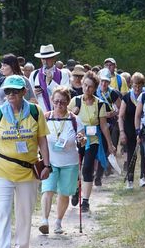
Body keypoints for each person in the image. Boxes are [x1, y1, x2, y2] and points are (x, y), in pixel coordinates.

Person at [0, 75, 51, 248]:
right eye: (7, 91)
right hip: (2, 168)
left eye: (15, 91)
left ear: (24, 92)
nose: (10, 95)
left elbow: (42, 139)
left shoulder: (35, 112)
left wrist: (48, 165)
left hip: (27, 170)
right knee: (2, 210)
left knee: (24, 212)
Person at [68, 71, 116, 212]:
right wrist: (73, 113)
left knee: (87, 168)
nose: (86, 89)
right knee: (75, 168)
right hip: (77, 139)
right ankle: (76, 189)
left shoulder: (99, 104)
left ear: (95, 88)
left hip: (93, 140)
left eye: (90, 87)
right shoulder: (75, 101)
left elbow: (103, 125)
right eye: (84, 85)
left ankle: (86, 201)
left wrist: (110, 144)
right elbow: (64, 120)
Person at [39, 87, 84, 235]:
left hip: (69, 163)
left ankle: (58, 222)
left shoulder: (75, 120)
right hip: (50, 162)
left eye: (63, 102)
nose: (59, 105)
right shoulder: (45, 118)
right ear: (52, 101)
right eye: (56, 101)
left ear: (68, 103)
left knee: (64, 193)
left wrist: (81, 140)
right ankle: (44, 221)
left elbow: (82, 140)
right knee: (47, 190)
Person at [93, 68, 122, 187]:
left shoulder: (113, 93)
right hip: (94, 124)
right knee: (94, 149)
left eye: (106, 82)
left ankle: (99, 176)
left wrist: (113, 113)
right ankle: (91, 173)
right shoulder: (94, 92)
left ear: (109, 82)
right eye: (102, 81)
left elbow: (120, 108)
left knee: (104, 150)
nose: (104, 84)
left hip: (108, 125)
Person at [118, 72, 145, 189]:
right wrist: (121, 132)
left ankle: (143, 177)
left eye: (139, 85)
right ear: (131, 84)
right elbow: (120, 116)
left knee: (144, 152)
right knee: (131, 154)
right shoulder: (126, 97)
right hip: (129, 128)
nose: (137, 88)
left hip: (144, 128)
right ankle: (130, 180)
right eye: (135, 85)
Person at [0, 53, 37, 119]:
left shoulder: (23, 80)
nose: (1, 68)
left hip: (22, 118)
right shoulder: (0, 82)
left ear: (12, 66)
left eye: (4, 66)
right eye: (1, 66)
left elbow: (33, 101)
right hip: (2, 118)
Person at [30, 44, 70, 112]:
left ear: (54, 58)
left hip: (58, 113)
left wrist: (51, 82)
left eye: (48, 58)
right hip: (39, 113)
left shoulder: (63, 74)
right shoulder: (34, 74)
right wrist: (34, 93)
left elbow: (65, 94)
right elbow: (29, 97)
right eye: (43, 58)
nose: (45, 61)